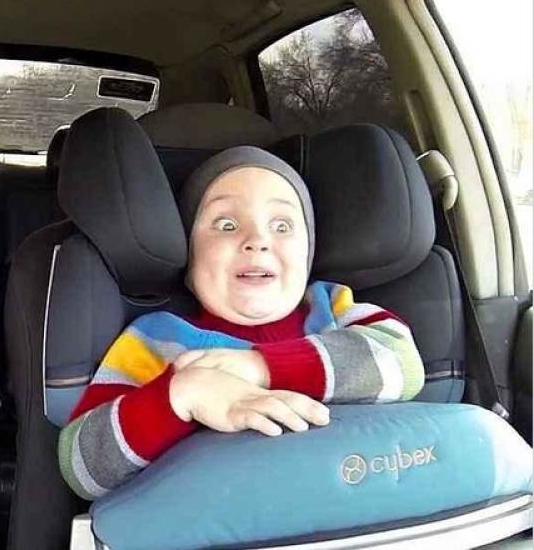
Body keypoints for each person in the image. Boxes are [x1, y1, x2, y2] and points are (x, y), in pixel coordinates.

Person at [58, 146, 425, 501]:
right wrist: (180, 395)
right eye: (227, 224)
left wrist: (261, 367)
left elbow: (404, 363)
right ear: (191, 255)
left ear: (308, 253)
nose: (257, 241)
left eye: (282, 225)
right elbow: (82, 468)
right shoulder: (157, 339)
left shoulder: (331, 308)